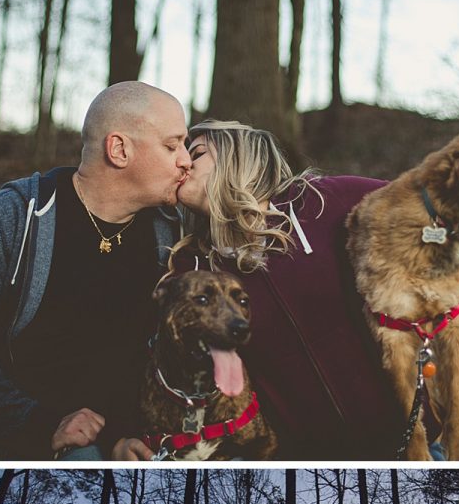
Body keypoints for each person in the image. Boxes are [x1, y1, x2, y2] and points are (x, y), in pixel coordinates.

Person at [0, 83, 191, 463]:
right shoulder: (14, 217)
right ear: (119, 150)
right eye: (171, 145)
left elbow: (140, 359)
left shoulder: (169, 234)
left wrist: (119, 433)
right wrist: (36, 423)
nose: (185, 161)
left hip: (93, 443)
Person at [169, 120, 400, 458]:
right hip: (304, 464)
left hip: (412, 440)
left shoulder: (325, 202)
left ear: (237, 156)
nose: (184, 163)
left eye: (197, 153)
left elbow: (439, 218)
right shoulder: (193, 267)